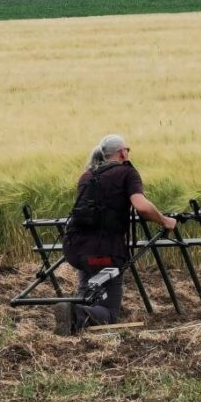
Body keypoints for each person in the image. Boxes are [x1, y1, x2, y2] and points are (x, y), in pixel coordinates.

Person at [54, 134, 177, 335]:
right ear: (122, 152)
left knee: (89, 290)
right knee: (110, 313)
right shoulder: (126, 173)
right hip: (104, 251)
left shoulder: (87, 176)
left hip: (76, 249)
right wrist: (165, 221)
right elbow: (141, 206)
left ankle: (73, 316)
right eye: (127, 149)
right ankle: (76, 313)